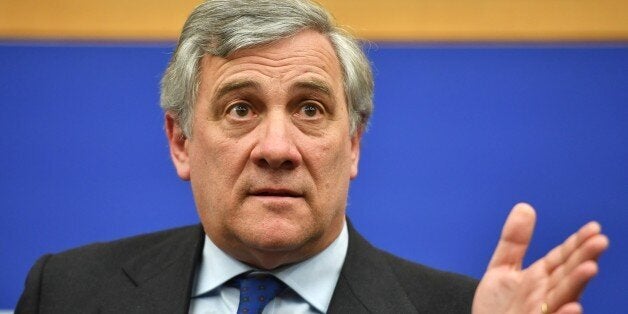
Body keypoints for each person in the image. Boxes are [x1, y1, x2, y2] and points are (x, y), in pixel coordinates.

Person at [16, 0, 609, 313]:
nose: (277, 149)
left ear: (352, 145)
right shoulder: (65, 293)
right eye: (241, 109)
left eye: (310, 109)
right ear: (180, 143)